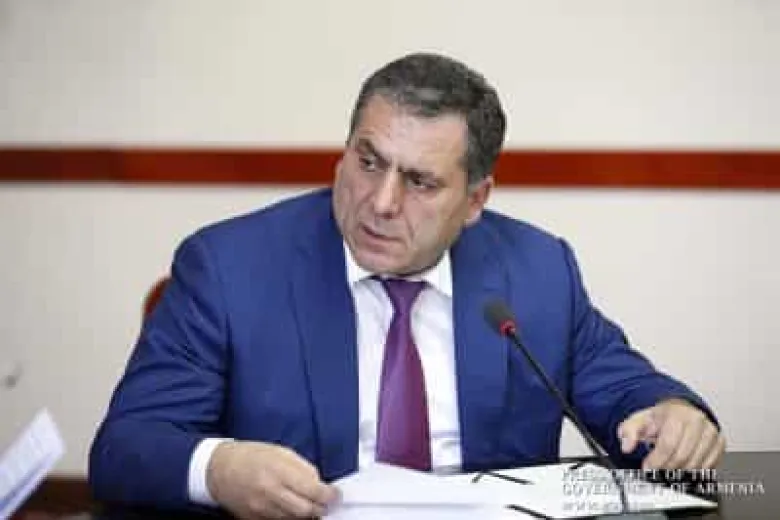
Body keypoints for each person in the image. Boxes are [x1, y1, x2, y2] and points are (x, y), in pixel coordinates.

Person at [89, 53, 725, 519]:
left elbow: (626, 391)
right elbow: (127, 447)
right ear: (343, 153)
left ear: (475, 200)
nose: (382, 202)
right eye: (368, 163)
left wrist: (672, 414)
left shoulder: (537, 270)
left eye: (420, 182)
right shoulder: (230, 267)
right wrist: (218, 468)